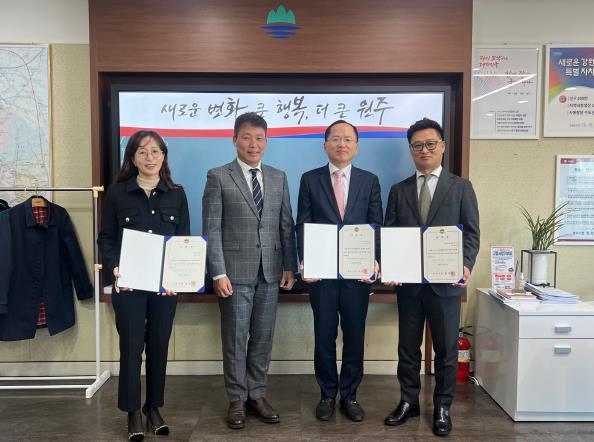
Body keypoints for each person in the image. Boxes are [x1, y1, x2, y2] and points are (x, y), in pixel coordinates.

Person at [383, 118, 480, 436]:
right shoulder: (398, 190)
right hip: (409, 285)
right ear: (410, 149)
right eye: (417, 145)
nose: (424, 150)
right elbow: (389, 233)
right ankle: (408, 401)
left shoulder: (460, 187)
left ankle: (442, 406)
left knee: (446, 350)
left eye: (430, 144)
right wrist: (390, 265)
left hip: (445, 284)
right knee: (407, 348)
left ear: (442, 146)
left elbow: (471, 234)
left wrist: (466, 265)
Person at [202, 112, 297, 430]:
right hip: (233, 273)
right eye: (246, 137)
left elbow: (286, 225)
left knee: (263, 337)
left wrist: (289, 265)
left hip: (270, 272)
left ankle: (257, 394)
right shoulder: (218, 176)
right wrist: (218, 272)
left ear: (266, 141)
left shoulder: (279, 177)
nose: (253, 144)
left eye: (259, 138)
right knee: (234, 338)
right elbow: (212, 229)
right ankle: (236, 399)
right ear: (234, 140)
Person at [98, 130, 190, 441]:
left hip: (165, 288)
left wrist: (178, 276)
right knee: (131, 347)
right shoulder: (117, 193)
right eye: (142, 152)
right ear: (133, 158)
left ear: (164, 156)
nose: (150, 158)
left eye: (155, 152)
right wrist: (115, 268)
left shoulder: (176, 194)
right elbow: (106, 238)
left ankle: (154, 408)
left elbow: (183, 241)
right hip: (130, 287)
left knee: (159, 345)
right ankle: (132, 412)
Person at [296, 120, 383, 422]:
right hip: (322, 275)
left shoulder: (369, 180)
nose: (341, 144)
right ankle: (326, 394)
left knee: (355, 335)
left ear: (356, 146)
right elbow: (303, 223)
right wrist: (305, 259)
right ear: (325, 145)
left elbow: (376, 224)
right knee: (324, 334)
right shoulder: (310, 179)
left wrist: (375, 259)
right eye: (335, 139)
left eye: (347, 139)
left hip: (357, 275)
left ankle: (350, 395)